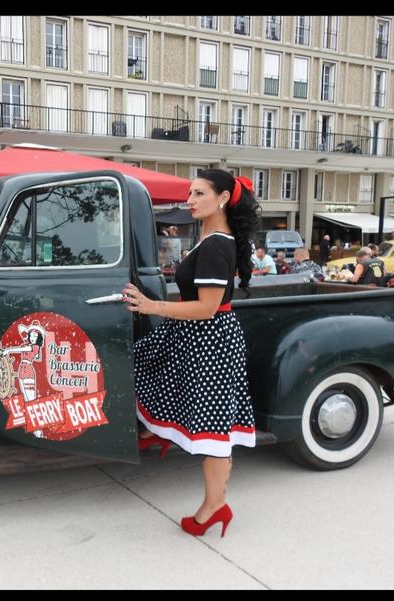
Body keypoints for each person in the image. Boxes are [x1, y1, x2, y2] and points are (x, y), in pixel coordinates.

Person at [122, 169, 259, 538]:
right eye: (190, 193)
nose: (190, 200)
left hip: (209, 340)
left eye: (199, 194)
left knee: (214, 430)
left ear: (224, 199)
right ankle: (162, 431)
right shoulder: (210, 239)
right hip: (198, 339)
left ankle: (214, 506)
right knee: (153, 377)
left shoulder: (217, 244)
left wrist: (152, 307)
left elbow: (206, 308)